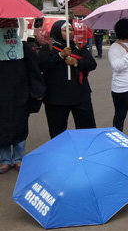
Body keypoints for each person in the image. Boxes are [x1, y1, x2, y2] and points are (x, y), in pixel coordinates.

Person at [38, 20, 97, 139]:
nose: (69, 33)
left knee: (87, 129)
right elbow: (43, 65)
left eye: (71, 30)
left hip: (80, 95)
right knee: (58, 132)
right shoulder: (48, 49)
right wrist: (60, 56)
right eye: (65, 30)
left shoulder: (78, 47)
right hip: (56, 98)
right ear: (56, 32)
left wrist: (76, 62)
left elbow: (92, 64)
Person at [0, 18, 45, 174]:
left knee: (20, 126)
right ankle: (5, 160)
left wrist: (37, 91)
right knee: (2, 127)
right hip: (2, 96)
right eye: (5, 26)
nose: (9, 29)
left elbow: (34, 70)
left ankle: (19, 158)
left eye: (12, 26)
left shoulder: (24, 47)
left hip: (20, 93)